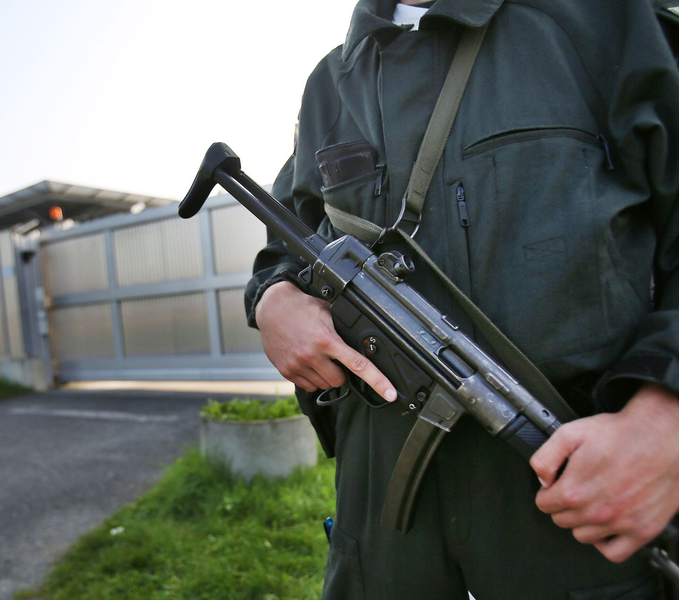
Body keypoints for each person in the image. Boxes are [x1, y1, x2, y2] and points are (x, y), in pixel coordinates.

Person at [245, 0, 679, 598]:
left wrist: (664, 423)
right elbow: (287, 242)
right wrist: (273, 302)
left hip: (579, 515)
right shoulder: (331, 81)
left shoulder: (602, 22)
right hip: (382, 539)